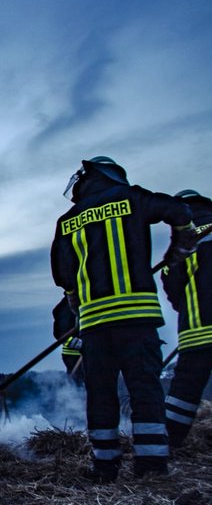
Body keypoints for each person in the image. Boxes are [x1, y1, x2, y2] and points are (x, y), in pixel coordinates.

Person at [50, 156, 196, 483]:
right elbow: (180, 211)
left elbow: (63, 275)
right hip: (136, 317)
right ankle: (152, 467)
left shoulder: (68, 220)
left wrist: (76, 300)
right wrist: (182, 243)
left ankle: (104, 467)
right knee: (144, 389)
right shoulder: (131, 198)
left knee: (100, 394)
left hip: (95, 325)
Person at [161, 189, 212, 448]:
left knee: (184, 394)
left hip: (199, 329)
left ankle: (169, 445)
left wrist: (190, 307)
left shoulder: (183, 242)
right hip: (198, 327)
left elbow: (171, 285)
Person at [52, 295, 84, 384]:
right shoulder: (66, 307)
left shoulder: (65, 306)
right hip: (75, 354)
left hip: (81, 352)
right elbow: (59, 333)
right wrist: (74, 342)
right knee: (78, 385)